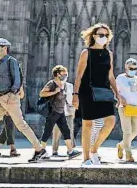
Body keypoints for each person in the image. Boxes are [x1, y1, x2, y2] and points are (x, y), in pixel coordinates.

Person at [0, 38, 47, 163]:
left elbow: (17, 79)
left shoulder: (11, 61)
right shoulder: (0, 62)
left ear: (4, 48)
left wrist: (12, 95)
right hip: (1, 99)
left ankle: (39, 149)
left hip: (9, 98)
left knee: (21, 125)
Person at [72, 23, 120, 167]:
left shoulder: (108, 54)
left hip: (104, 91)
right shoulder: (86, 53)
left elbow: (111, 76)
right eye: (100, 35)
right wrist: (75, 94)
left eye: (106, 35)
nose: (103, 38)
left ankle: (94, 150)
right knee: (87, 124)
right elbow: (79, 75)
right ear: (93, 36)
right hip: (87, 91)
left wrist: (117, 93)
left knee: (110, 121)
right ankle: (86, 158)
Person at [39, 65, 81, 159]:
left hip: (61, 112)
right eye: (63, 73)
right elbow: (41, 93)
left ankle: (70, 151)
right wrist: (54, 92)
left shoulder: (62, 84)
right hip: (53, 111)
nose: (65, 74)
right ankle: (41, 151)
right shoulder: (52, 83)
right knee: (47, 131)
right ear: (58, 74)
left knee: (66, 131)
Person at [116, 58, 137, 162]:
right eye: (131, 68)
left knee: (135, 131)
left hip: (136, 107)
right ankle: (128, 154)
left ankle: (121, 145)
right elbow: (115, 91)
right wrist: (120, 99)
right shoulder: (120, 78)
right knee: (127, 131)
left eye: (135, 68)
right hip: (124, 107)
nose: (133, 70)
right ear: (126, 67)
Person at [52, 73, 75, 156]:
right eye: (62, 75)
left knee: (70, 129)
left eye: (65, 75)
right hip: (57, 111)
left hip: (68, 111)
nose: (63, 77)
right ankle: (54, 150)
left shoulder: (70, 86)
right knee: (56, 131)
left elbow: (71, 98)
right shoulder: (53, 85)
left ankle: (71, 150)